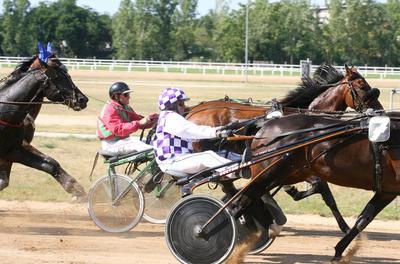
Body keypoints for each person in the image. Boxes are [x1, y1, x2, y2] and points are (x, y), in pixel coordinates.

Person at [153, 87, 234, 177]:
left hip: (179, 160)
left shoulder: (170, 117)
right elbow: (190, 130)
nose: (184, 107)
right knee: (208, 156)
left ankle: (240, 165)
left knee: (218, 153)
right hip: (173, 161)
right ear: (171, 105)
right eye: (181, 103)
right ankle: (235, 170)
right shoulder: (170, 117)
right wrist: (216, 132)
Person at [97, 81, 158, 155]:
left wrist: (155, 119)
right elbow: (118, 129)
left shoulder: (125, 108)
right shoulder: (110, 109)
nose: (129, 97)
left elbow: (141, 121)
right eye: (126, 94)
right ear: (116, 96)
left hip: (123, 142)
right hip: (111, 144)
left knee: (156, 144)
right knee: (136, 143)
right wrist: (139, 123)